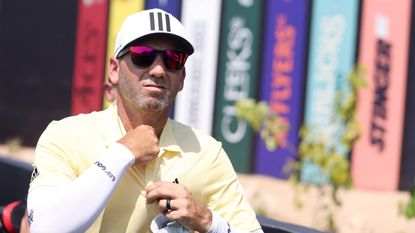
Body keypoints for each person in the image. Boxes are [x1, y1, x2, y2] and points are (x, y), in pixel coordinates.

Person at [27, 8, 263, 233]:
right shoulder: (65, 136)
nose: (159, 70)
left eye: (173, 59)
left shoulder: (207, 153)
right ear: (114, 70)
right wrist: (122, 153)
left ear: (181, 78)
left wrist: (207, 220)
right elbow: (45, 227)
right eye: (143, 55)